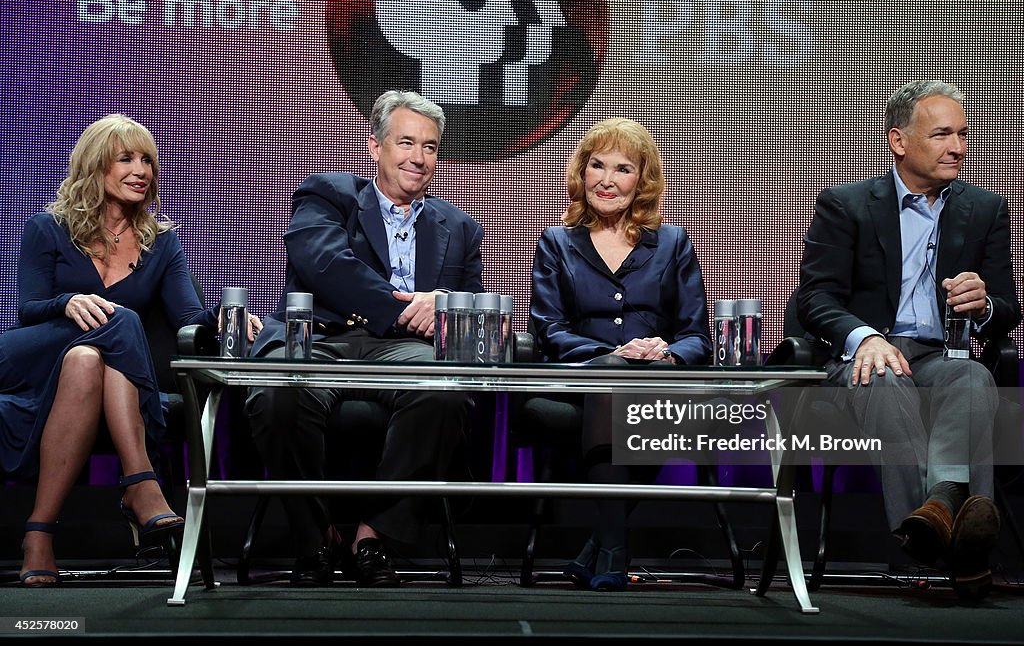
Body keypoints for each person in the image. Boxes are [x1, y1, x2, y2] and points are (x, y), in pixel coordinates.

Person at [0, 114, 258, 586]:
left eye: (148, 161)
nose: (142, 170)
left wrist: (221, 314)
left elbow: (187, 320)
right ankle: (140, 483)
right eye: (126, 158)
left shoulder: (161, 244)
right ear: (96, 166)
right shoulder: (48, 228)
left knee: (91, 357)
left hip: (88, 375)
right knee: (120, 322)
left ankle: (38, 535)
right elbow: (28, 312)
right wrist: (68, 301)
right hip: (36, 361)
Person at [245, 90, 483, 588]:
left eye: (431, 147)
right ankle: (315, 537)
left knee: (445, 389)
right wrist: (404, 306)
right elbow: (326, 266)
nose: (418, 158)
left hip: (406, 351)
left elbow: (469, 305)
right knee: (275, 393)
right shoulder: (329, 195)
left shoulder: (458, 227)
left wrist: (439, 302)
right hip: (317, 335)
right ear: (375, 147)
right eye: (406, 143)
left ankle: (372, 536)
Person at [797, 80, 1021, 600]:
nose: (959, 148)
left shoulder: (985, 209)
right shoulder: (846, 205)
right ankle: (959, 542)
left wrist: (983, 305)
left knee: (971, 377)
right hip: (866, 357)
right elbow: (815, 299)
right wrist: (866, 337)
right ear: (899, 141)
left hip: (944, 357)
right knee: (887, 377)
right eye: (942, 134)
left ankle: (932, 519)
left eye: (963, 135)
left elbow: (1008, 309)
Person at [530, 117, 712, 591]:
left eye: (623, 169)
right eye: (597, 166)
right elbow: (548, 328)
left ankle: (603, 546)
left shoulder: (671, 243)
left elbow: (696, 333)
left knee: (634, 390)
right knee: (614, 376)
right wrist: (612, 354)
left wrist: (668, 354)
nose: (607, 180)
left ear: (643, 180)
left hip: (658, 382)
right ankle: (614, 546)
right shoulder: (557, 243)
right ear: (581, 173)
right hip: (582, 382)